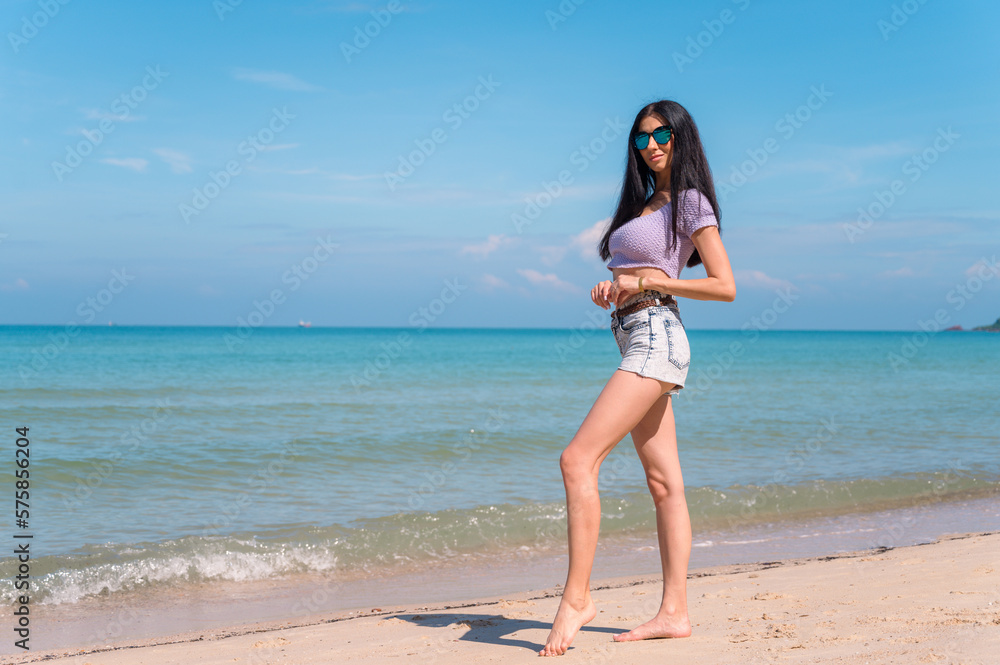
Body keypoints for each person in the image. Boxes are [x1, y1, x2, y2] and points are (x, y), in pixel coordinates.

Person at [539, 100, 735, 657]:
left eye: (661, 134)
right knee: (664, 484)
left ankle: (576, 598)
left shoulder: (691, 202)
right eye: (641, 137)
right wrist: (615, 286)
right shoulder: (646, 204)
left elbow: (725, 285)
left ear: (681, 138)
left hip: (657, 336)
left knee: (576, 460)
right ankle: (675, 613)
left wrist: (652, 280)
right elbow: (633, 276)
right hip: (633, 331)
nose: (650, 145)